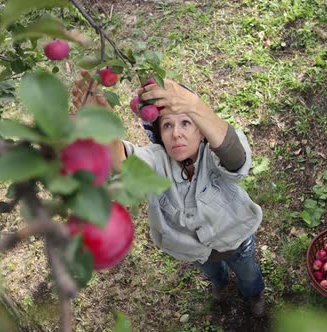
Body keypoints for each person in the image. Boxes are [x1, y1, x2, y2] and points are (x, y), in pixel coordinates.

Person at [72, 73, 266, 317]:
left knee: (249, 276)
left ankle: (254, 295)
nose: (176, 133)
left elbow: (236, 159)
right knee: (213, 273)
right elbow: (125, 165)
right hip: (197, 252)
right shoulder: (157, 160)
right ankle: (220, 285)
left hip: (238, 242)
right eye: (167, 126)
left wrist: (193, 105)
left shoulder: (212, 155)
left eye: (186, 123)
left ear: (201, 131)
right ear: (159, 137)